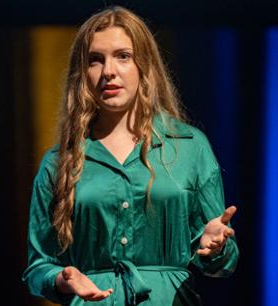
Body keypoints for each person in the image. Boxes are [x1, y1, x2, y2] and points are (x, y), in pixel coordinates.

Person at [22, 6, 239, 306]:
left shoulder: (189, 146)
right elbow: (38, 267)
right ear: (82, 73)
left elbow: (223, 261)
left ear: (144, 66)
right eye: (95, 60)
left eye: (123, 56)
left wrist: (215, 247)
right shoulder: (60, 161)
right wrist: (62, 278)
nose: (108, 71)